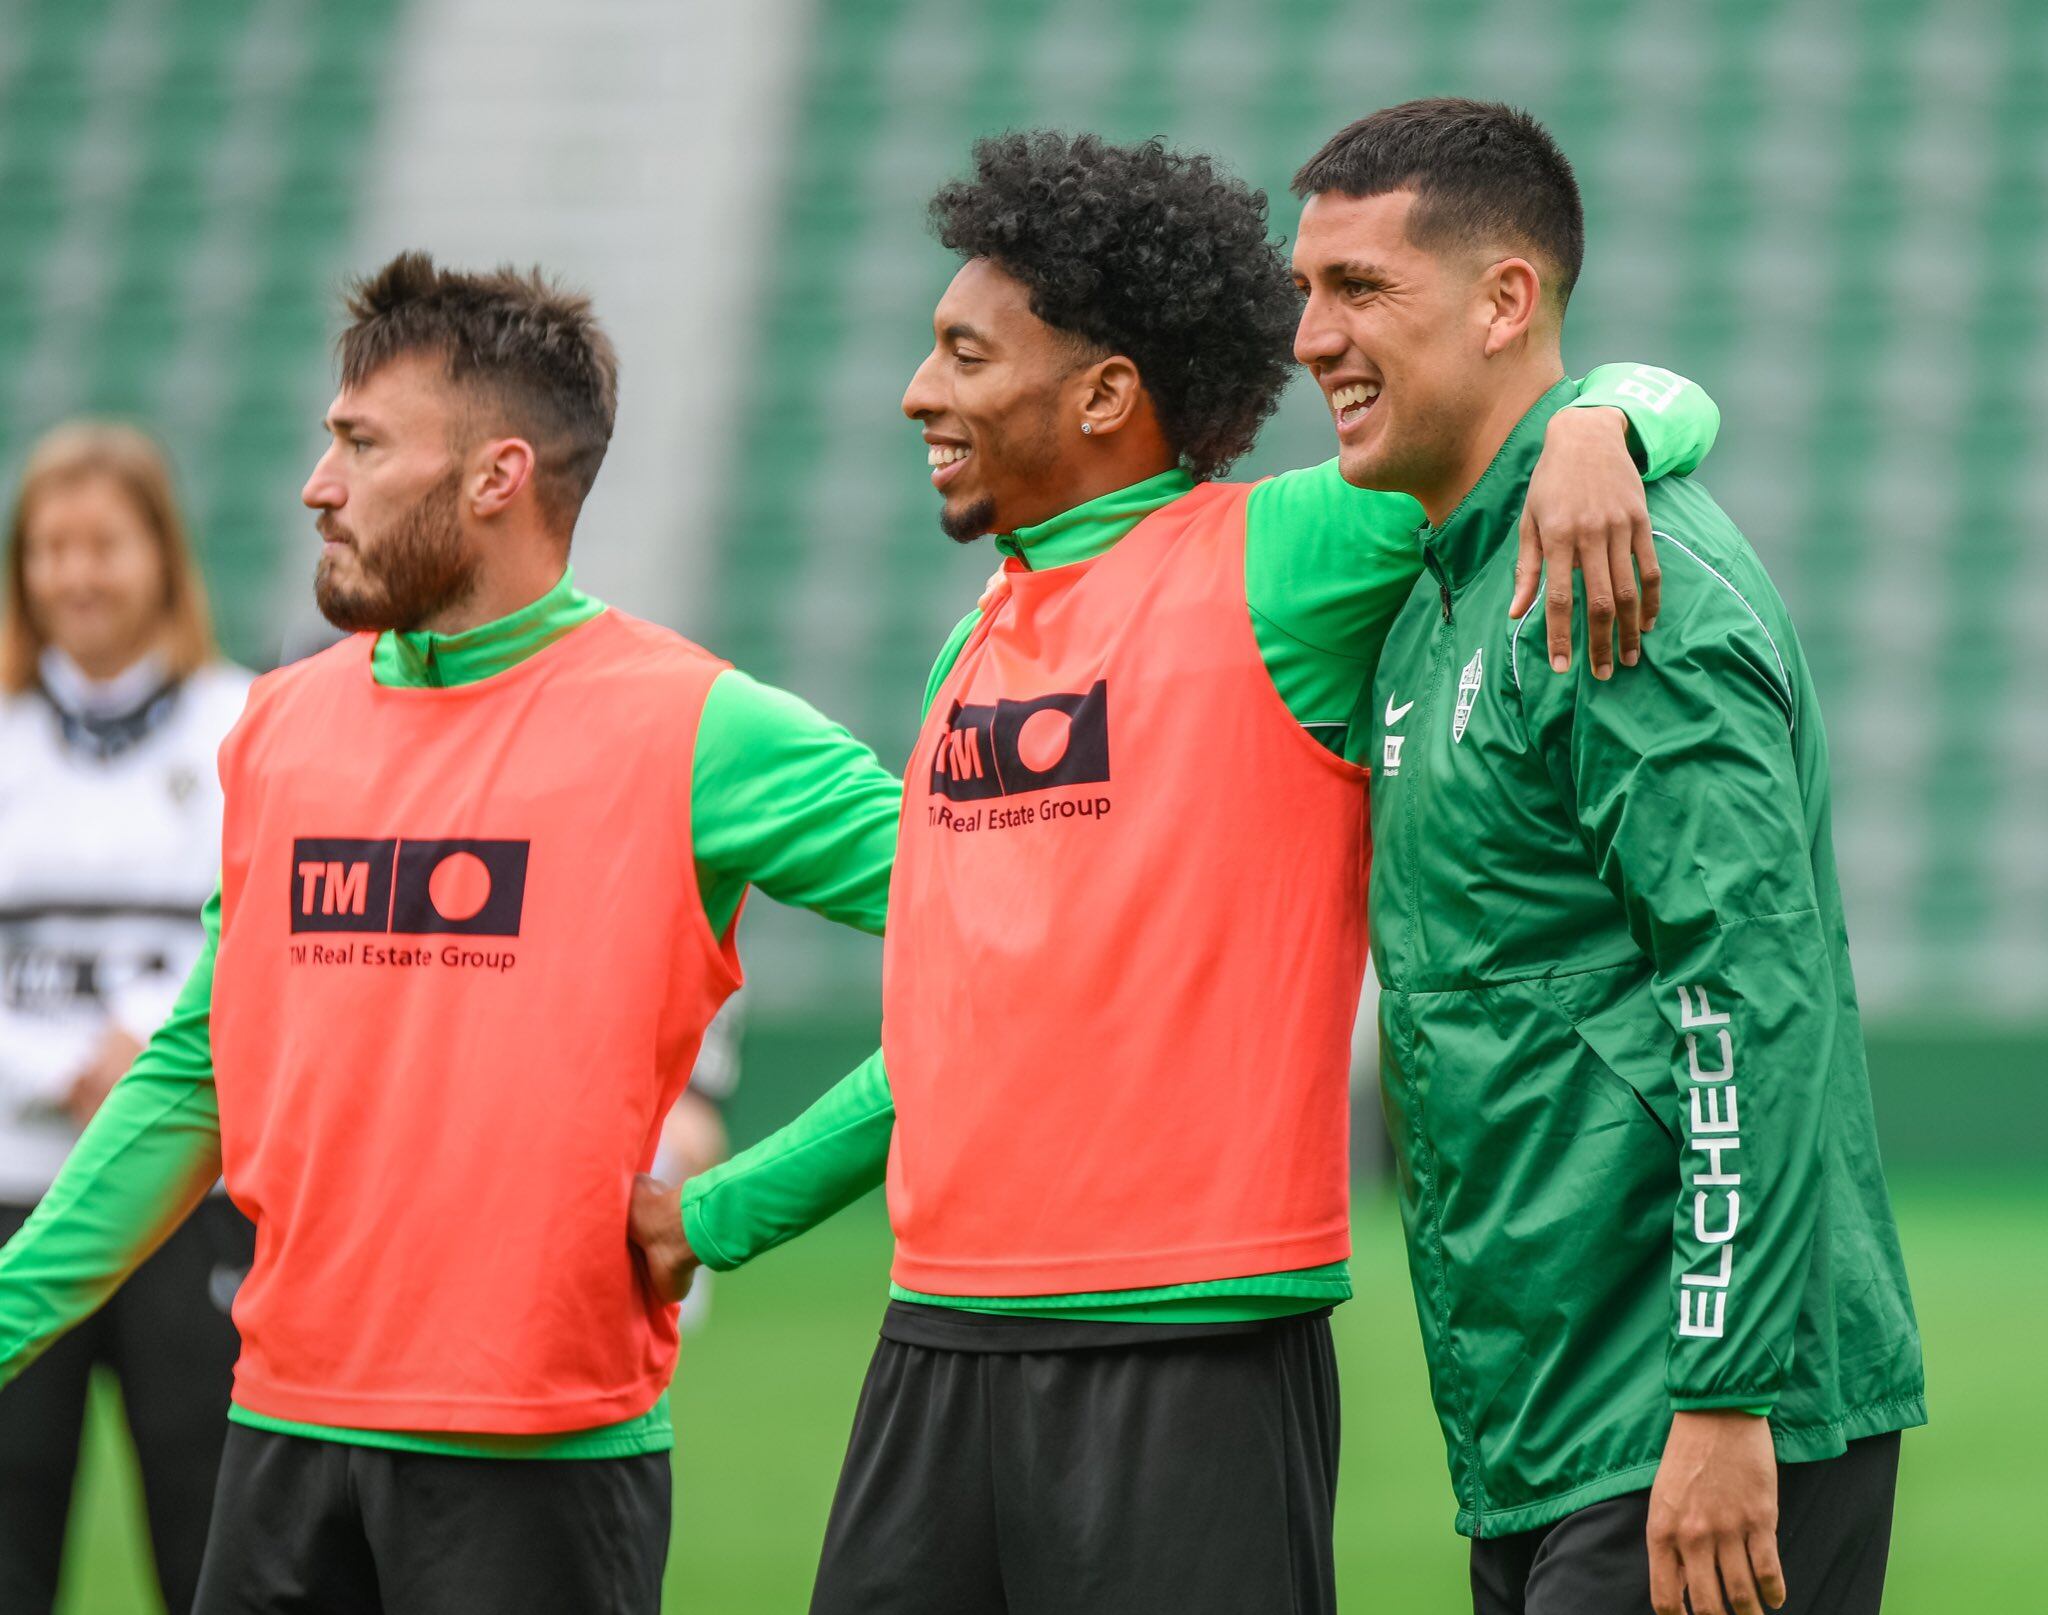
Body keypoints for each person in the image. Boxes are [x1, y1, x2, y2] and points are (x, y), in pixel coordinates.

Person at [630, 130, 1722, 1615]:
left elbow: (1570, 401)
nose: (918, 389)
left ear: (1101, 395)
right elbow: (956, 1036)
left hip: (1190, 1345)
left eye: (961, 350)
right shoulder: (975, 639)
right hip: (936, 1340)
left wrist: (1608, 432)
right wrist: (711, 1215)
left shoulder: (1285, 552)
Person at [0, 255, 905, 1615]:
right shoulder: (283, 726)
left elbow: (1023, 930)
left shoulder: (698, 726)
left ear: (497, 475)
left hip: (539, 1456)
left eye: (363, 445)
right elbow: (198, 1065)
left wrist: (740, 1202)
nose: (319, 484)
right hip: (280, 1438)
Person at [1290, 99, 1924, 1615]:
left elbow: (1746, 1002)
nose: (1312, 337)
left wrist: (1722, 1395)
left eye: (1361, 288)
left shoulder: (1617, 582)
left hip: (1692, 1423)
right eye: (1304, 290)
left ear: (1508, 300)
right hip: (1553, 1429)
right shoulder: (1437, 589)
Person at [0, 423, 254, 1614]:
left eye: (104, 543)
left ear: (163, 556)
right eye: (50, 548)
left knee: (212, 1538)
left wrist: (145, 1047)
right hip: (15, 1193)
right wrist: (59, 1066)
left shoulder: (249, 724)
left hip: (188, 1203)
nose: (77, 573)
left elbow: (264, 929)